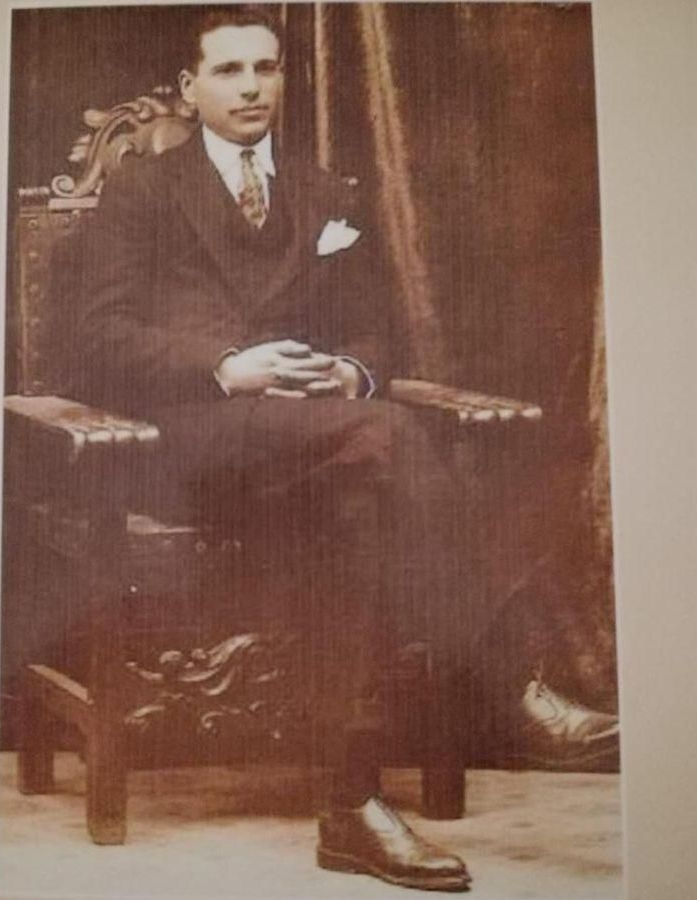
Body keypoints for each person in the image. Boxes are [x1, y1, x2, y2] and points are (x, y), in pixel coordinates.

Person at [63, 9, 627, 889]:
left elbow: (379, 336)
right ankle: (509, 678)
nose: (251, 87)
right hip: (182, 445)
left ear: (284, 78)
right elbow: (94, 340)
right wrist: (224, 365)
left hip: (323, 447)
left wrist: (352, 374)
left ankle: (351, 809)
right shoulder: (143, 192)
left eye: (267, 68)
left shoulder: (328, 193)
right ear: (189, 88)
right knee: (389, 441)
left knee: (368, 488)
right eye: (228, 71)